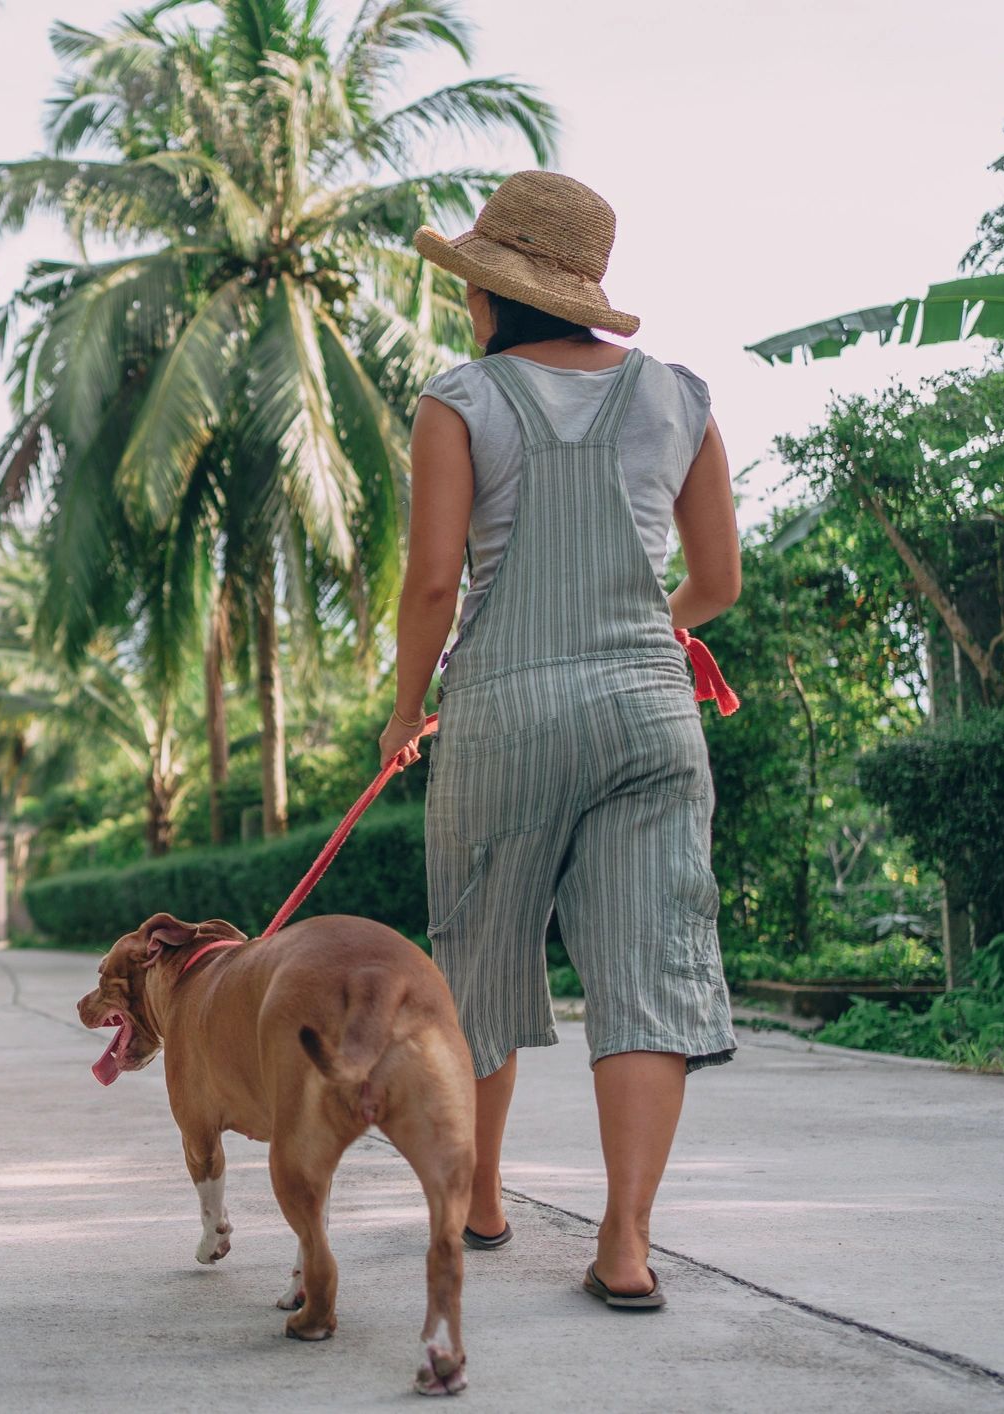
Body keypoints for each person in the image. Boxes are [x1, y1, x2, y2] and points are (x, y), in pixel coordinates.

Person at [376, 171, 742, 1311]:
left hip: (501, 711)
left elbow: (435, 582)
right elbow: (718, 582)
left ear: (491, 296)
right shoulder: (680, 397)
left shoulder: (462, 400)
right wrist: (640, 633)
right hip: (648, 713)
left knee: (477, 952)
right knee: (647, 969)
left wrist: (403, 713)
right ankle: (625, 1248)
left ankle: (478, 1200)